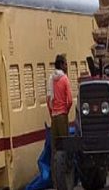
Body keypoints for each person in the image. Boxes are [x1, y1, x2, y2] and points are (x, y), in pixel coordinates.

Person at [48, 54, 73, 182]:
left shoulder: (51, 79)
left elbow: (48, 100)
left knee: (55, 148)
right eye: (66, 63)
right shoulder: (64, 79)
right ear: (62, 65)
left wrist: (52, 113)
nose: (67, 66)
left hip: (54, 116)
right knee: (65, 147)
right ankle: (66, 177)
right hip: (62, 116)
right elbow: (69, 100)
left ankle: (55, 180)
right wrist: (66, 112)